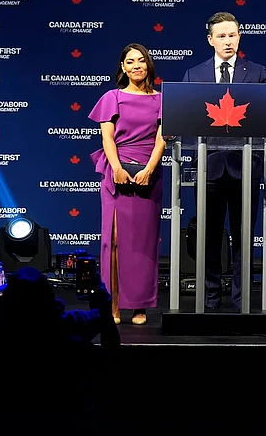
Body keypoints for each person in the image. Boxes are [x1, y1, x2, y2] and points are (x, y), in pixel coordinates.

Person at [182, 11, 266, 310]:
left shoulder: (256, 72)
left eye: (233, 35)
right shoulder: (194, 75)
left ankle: (242, 301)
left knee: (244, 239)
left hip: (245, 169)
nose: (228, 41)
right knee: (209, 238)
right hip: (209, 169)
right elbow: (185, 116)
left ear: (239, 37)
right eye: (222, 36)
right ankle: (210, 300)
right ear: (210, 40)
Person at [89, 43, 165, 325]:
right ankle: (114, 303)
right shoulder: (112, 97)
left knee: (143, 242)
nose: (136, 66)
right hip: (117, 174)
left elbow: (162, 138)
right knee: (115, 240)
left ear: (149, 65)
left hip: (149, 174)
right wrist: (117, 168)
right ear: (123, 67)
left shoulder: (162, 100)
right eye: (130, 61)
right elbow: (107, 138)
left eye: (141, 61)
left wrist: (149, 169)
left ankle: (140, 305)